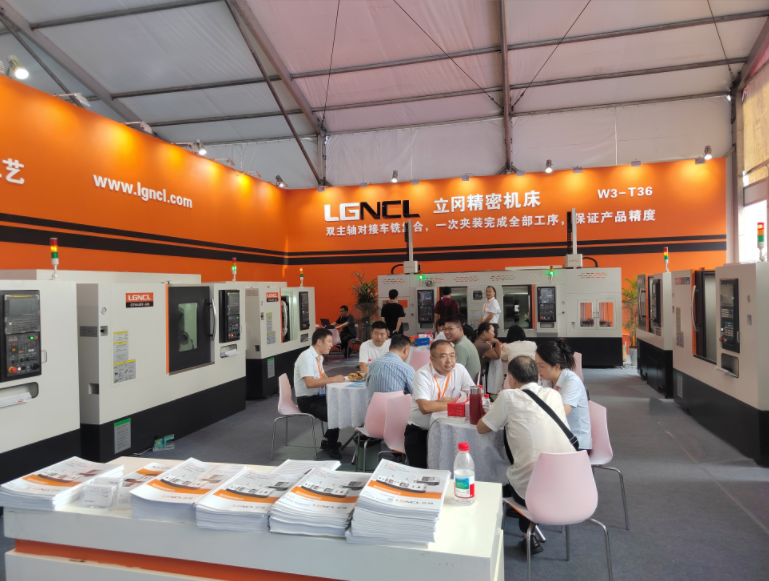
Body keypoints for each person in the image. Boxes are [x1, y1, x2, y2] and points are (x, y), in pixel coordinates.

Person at [477, 356, 575, 555]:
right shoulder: (553, 395)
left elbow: (481, 428)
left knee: (510, 474)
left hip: (532, 493)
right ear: (538, 376)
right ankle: (529, 529)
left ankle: (525, 532)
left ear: (511, 377)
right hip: (571, 486)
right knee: (530, 464)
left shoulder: (508, 397)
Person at [405, 340, 475, 468]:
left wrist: (451, 400)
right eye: (443, 356)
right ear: (432, 359)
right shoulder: (423, 374)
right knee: (421, 472)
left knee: (459, 465)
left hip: (453, 430)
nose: (449, 361)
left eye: (452, 356)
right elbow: (425, 407)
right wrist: (458, 402)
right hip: (422, 430)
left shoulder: (459, 369)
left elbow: (474, 396)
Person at [293, 328, 346, 460]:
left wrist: (334, 383)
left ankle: (327, 440)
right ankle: (331, 446)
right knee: (336, 415)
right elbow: (309, 383)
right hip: (307, 401)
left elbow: (322, 375)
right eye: (329, 341)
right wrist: (333, 380)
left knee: (342, 406)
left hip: (318, 396)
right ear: (319, 342)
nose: (331, 345)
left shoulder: (318, 357)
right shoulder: (306, 357)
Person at [535, 340, 592, 451]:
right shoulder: (548, 379)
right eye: (536, 365)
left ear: (556, 366)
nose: (537, 370)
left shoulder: (571, 382)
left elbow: (560, 415)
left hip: (575, 443)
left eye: (541, 366)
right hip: (558, 437)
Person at [365, 334, 414, 400]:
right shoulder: (407, 369)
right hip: (397, 406)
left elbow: (367, 385)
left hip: (374, 406)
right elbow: (416, 393)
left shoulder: (373, 364)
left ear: (389, 347)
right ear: (406, 350)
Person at [442, 317, 481, 381]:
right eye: (445, 329)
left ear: (460, 330)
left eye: (450, 329)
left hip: (465, 385)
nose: (446, 332)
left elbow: (455, 374)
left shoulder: (461, 347)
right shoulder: (465, 342)